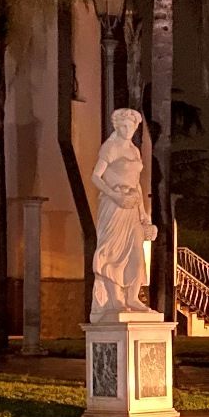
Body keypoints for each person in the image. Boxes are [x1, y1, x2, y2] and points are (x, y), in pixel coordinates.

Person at [91, 109, 158, 321]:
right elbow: (96, 176)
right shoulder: (110, 147)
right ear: (117, 127)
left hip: (132, 207)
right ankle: (115, 299)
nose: (128, 129)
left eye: (132, 126)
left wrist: (143, 214)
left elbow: (136, 184)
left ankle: (132, 297)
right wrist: (114, 195)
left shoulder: (134, 151)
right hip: (114, 205)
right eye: (124, 126)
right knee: (113, 252)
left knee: (136, 254)